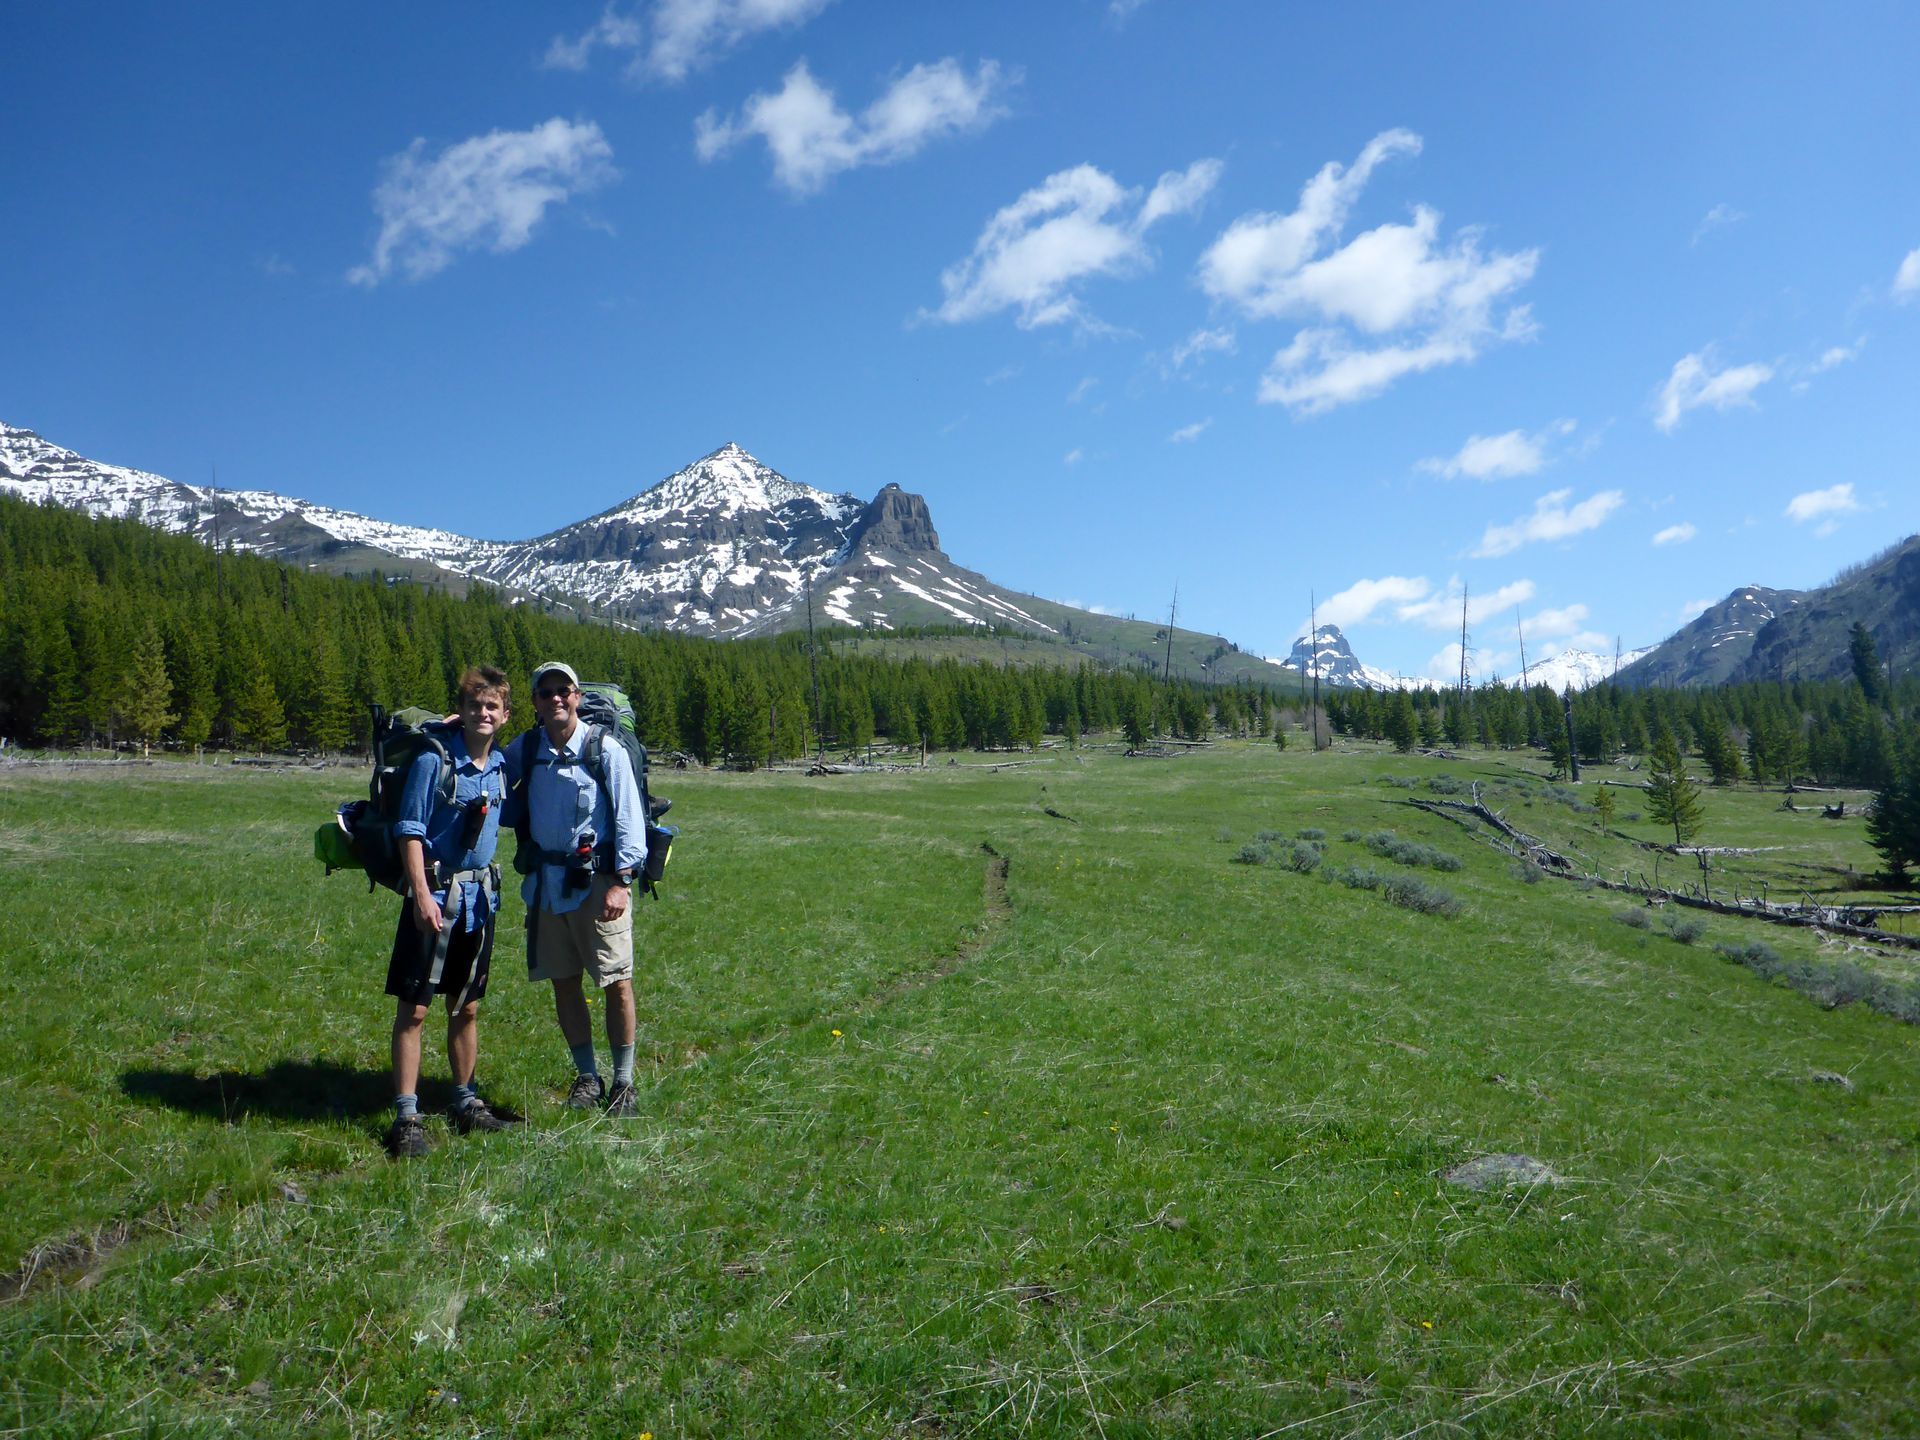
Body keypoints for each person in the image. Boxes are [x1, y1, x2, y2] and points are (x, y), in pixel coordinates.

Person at [385, 664, 517, 1158]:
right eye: (474, 705)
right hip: (435, 901)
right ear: (459, 710)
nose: (482, 714)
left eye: (491, 707)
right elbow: (410, 830)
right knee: (415, 1009)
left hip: (479, 904)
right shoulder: (433, 761)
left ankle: (465, 1101)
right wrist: (420, 894)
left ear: (504, 715)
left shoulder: (502, 767)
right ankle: (406, 1115)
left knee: (467, 1006)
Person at [506, 661, 647, 1117]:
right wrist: (456, 730)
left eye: (563, 690)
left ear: (578, 696)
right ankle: (588, 1076)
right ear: (535, 703)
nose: (555, 699)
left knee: (616, 982)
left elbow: (630, 819)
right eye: (545, 692)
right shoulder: (525, 749)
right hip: (546, 887)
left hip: (599, 884)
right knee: (564, 983)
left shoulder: (604, 749)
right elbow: (483, 760)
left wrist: (622, 882)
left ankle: (624, 1082)